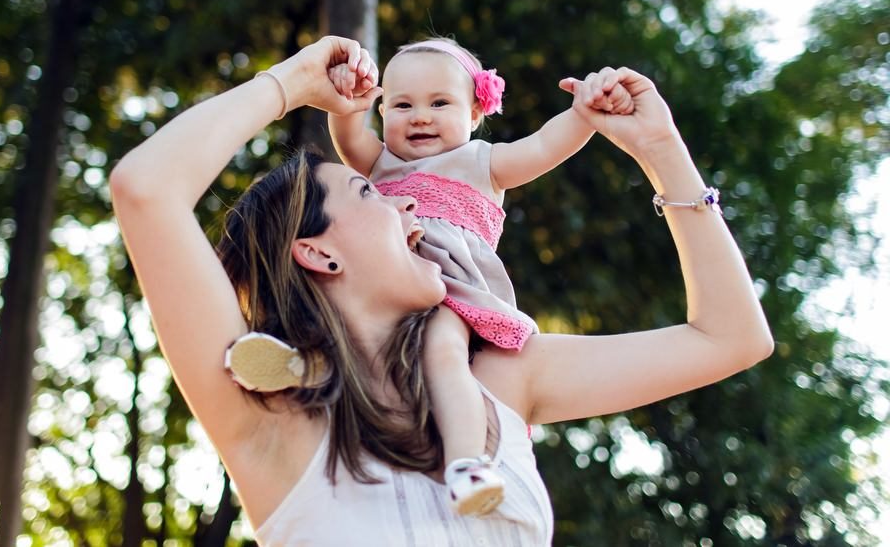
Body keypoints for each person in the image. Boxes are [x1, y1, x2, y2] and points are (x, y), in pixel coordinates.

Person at [109, 35, 773, 546]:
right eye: (372, 192)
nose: (409, 210)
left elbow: (733, 337)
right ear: (318, 250)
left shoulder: (507, 374)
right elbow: (146, 188)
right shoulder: (269, 422)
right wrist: (292, 81)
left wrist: (661, 148)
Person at [323, 37, 633, 515]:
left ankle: (468, 463)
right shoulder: (379, 162)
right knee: (330, 323)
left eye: (439, 103)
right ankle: (286, 363)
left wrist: (583, 115)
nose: (420, 116)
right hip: (378, 280)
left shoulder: (482, 162)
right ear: (382, 112)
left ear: (474, 113)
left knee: (443, 352)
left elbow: (545, 146)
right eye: (402, 104)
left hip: (448, 291)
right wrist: (347, 99)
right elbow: (347, 135)